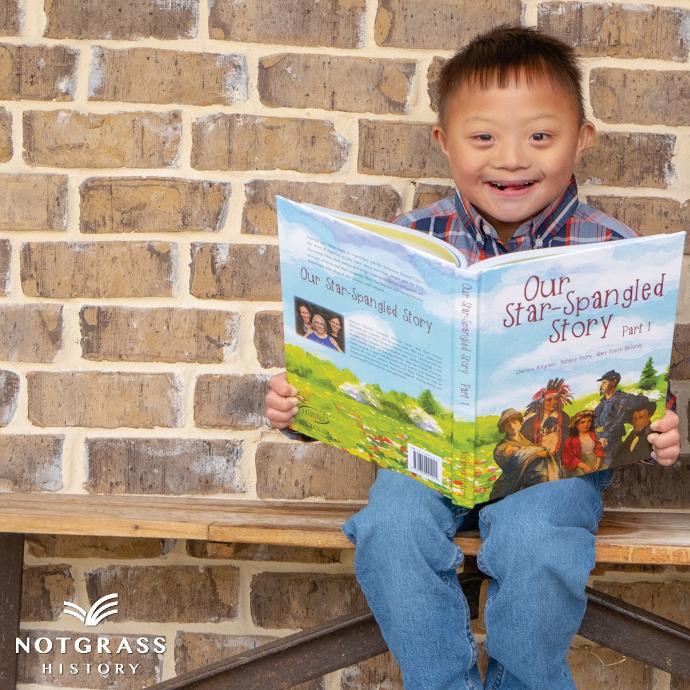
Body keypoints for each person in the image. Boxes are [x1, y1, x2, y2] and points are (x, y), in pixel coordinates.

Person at [266, 26, 681, 690]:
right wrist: (301, 407)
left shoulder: (610, 250)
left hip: (548, 466)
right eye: (483, 138)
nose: (511, 159)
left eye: (540, 137)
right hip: (427, 454)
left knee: (539, 544)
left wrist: (660, 423)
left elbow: (640, 373)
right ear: (444, 142)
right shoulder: (408, 242)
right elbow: (365, 363)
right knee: (389, 530)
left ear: (583, 137)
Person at [489, 408, 559, 500]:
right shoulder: (501, 447)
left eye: (514, 422)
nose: (512, 426)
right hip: (513, 480)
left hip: (533, 474)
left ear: (520, 423)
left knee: (544, 477)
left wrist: (537, 453)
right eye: (508, 425)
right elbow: (510, 466)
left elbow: (537, 451)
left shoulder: (527, 441)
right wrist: (535, 454)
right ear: (505, 428)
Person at [593, 369, 653, 467]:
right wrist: (600, 437)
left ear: (613, 382)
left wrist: (606, 436)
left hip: (614, 444)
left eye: (604, 383)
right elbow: (596, 423)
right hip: (601, 444)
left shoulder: (623, 399)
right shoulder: (600, 405)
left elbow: (619, 420)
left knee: (614, 466)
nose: (601, 386)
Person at [521, 378, 572, 463]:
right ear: (541, 402)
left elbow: (569, 437)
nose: (553, 402)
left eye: (556, 399)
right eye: (549, 400)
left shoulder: (564, 417)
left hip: (560, 459)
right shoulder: (530, 422)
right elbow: (523, 443)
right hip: (537, 461)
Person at [613, 399, 657, 466]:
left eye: (641, 417)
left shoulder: (653, 435)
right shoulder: (632, 434)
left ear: (649, 417)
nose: (637, 422)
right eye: (635, 419)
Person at [562, 410, 606, 477]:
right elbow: (568, 457)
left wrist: (598, 462)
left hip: (595, 461)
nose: (586, 424)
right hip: (579, 464)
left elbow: (598, 447)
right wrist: (584, 467)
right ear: (576, 424)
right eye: (582, 422)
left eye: (589, 421)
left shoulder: (594, 435)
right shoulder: (571, 440)